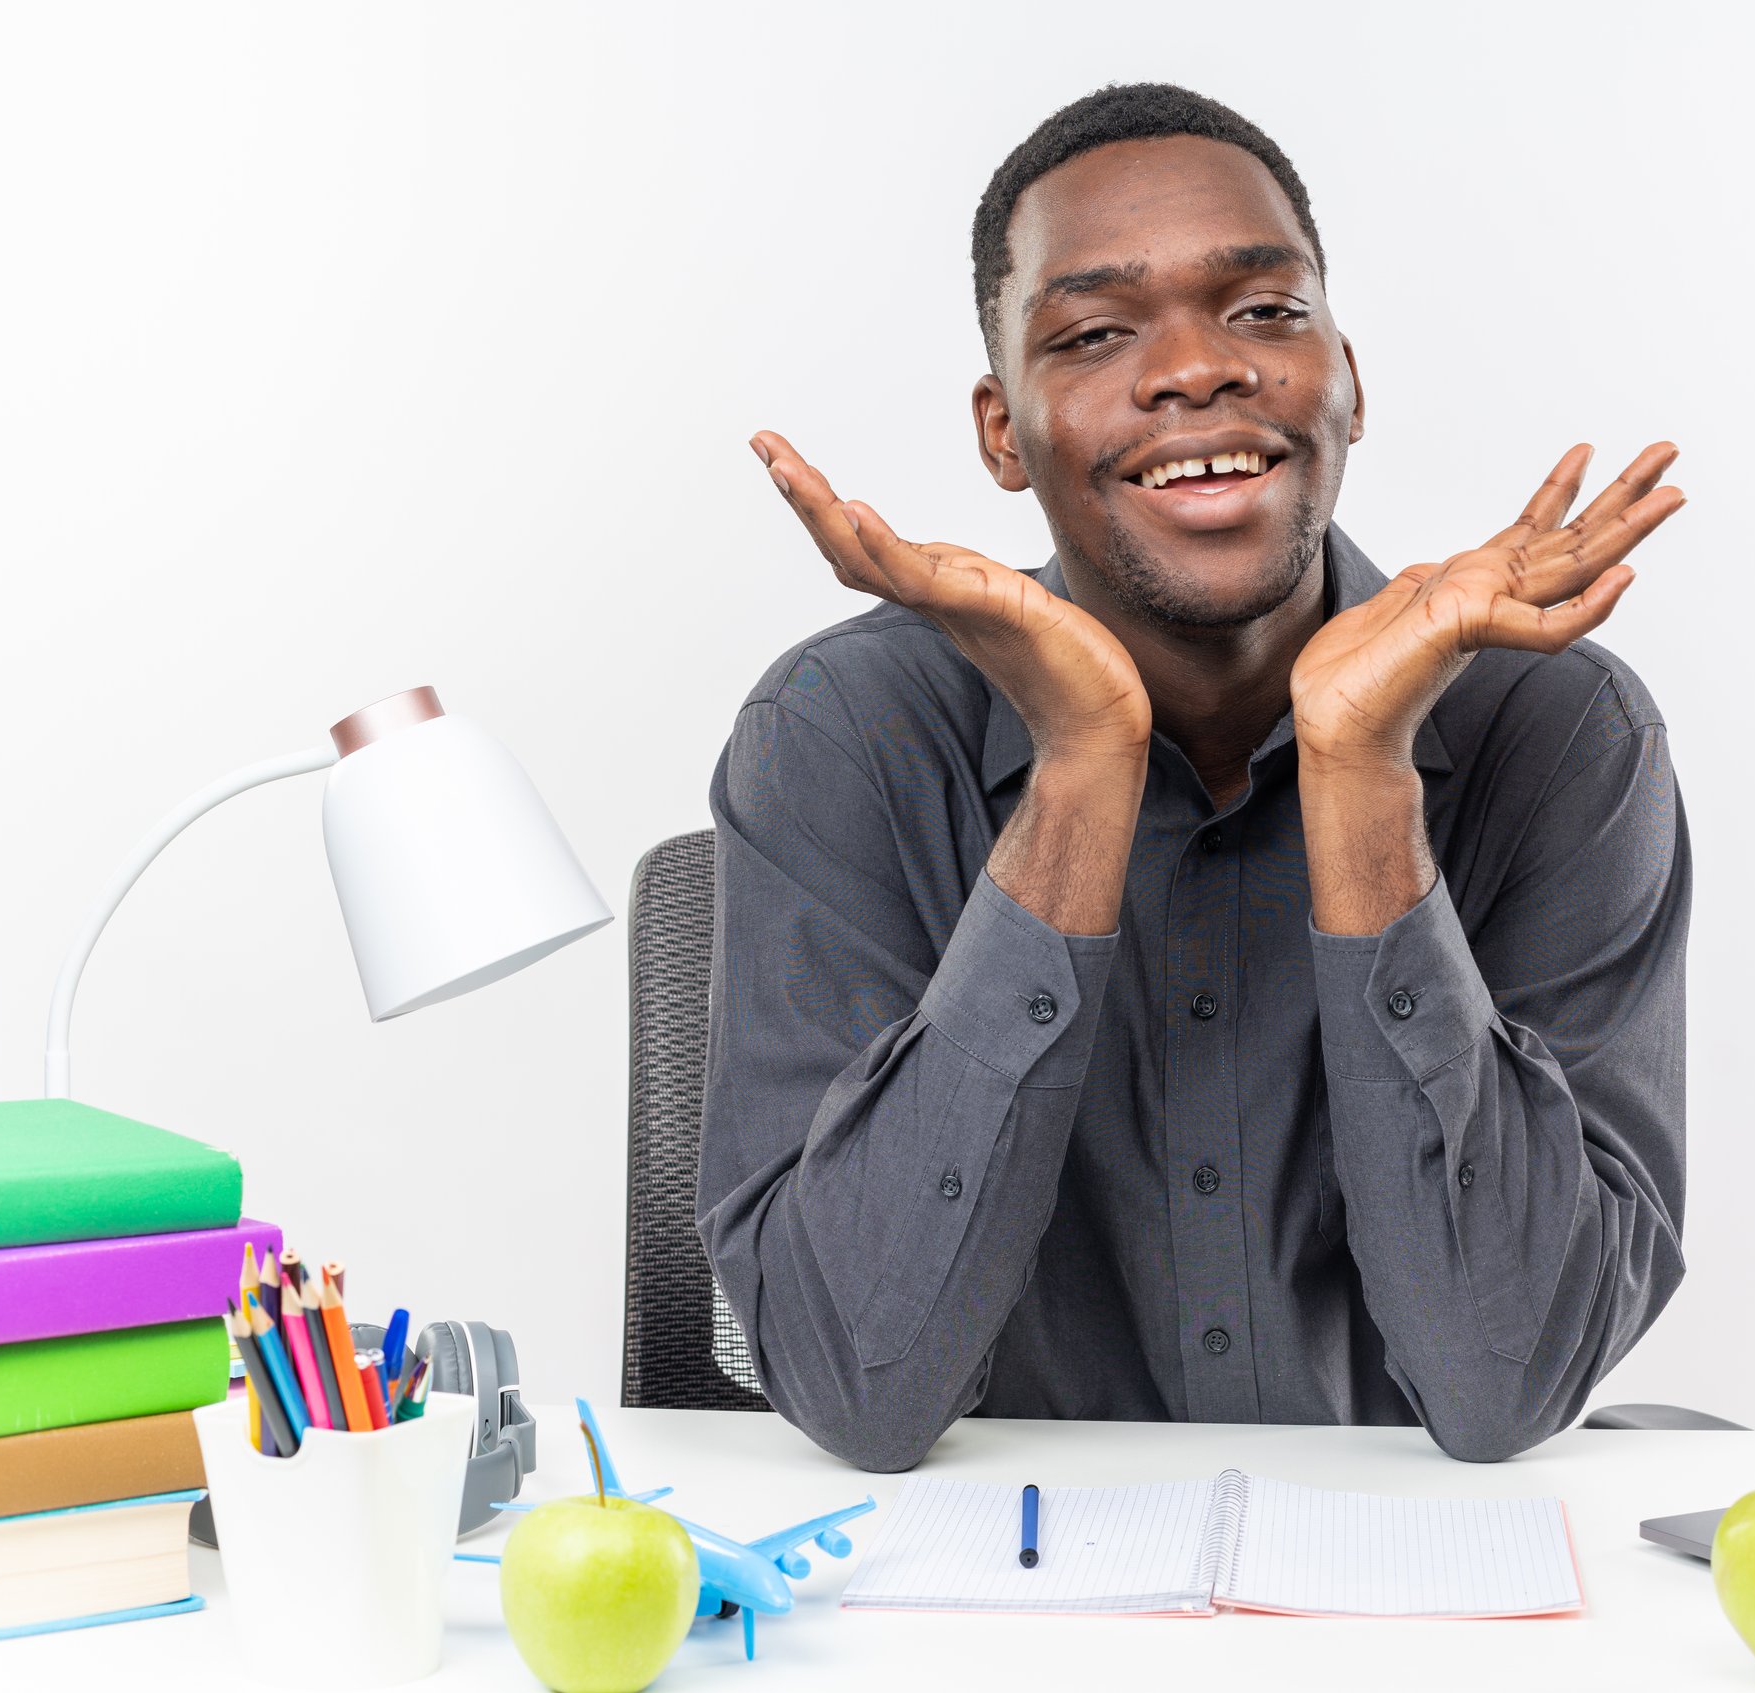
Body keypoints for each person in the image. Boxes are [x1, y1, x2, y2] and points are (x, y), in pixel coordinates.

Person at [701, 83, 1690, 1473]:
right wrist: (1081, 766)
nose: (1195, 371)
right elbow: (858, 1380)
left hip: (1422, 1599)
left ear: (1349, 377)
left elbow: (1504, 1378)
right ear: (1003, 431)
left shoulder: (1562, 733)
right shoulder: (842, 729)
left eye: (1265, 312)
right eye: (1097, 333)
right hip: (998, 1598)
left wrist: (1361, 773)